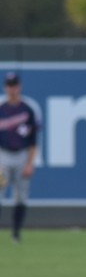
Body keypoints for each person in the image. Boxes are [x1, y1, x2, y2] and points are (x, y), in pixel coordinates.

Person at [0, 73, 39, 243]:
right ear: (5, 87)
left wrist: (30, 163)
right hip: (3, 154)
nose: (12, 89)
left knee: (21, 197)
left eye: (14, 85)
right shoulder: (1, 108)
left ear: (19, 87)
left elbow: (33, 141)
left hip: (22, 155)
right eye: (9, 85)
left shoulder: (27, 109)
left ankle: (15, 234)